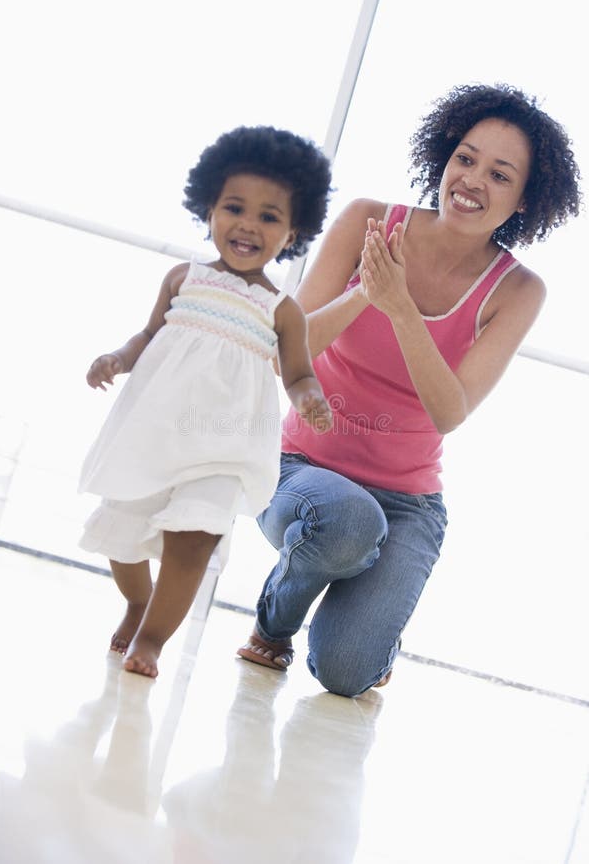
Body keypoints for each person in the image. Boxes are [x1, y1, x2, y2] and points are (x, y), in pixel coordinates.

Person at [237, 83, 582, 697]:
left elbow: (449, 411)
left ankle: (371, 613)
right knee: (345, 522)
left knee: (348, 675)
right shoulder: (369, 220)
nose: (472, 180)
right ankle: (274, 623)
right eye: (466, 158)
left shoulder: (519, 290)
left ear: (527, 198)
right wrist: (367, 292)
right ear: (445, 155)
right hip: (297, 468)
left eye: (500, 175)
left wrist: (401, 310)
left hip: (407, 506)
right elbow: (288, 357)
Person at [78, 125, 334, 678]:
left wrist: (310, 398)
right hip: (154, 432)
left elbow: (296, 373)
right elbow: (146, 338)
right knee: (122, 535)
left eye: (269, 216)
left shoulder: (282, 309)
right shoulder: (182, 278)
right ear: (209, 210)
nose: (248, 224)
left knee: (193, 541)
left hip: (225, 442)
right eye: (234, 207)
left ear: (293, 233)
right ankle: (136, 601)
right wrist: (117, 359)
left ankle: (151, 639)